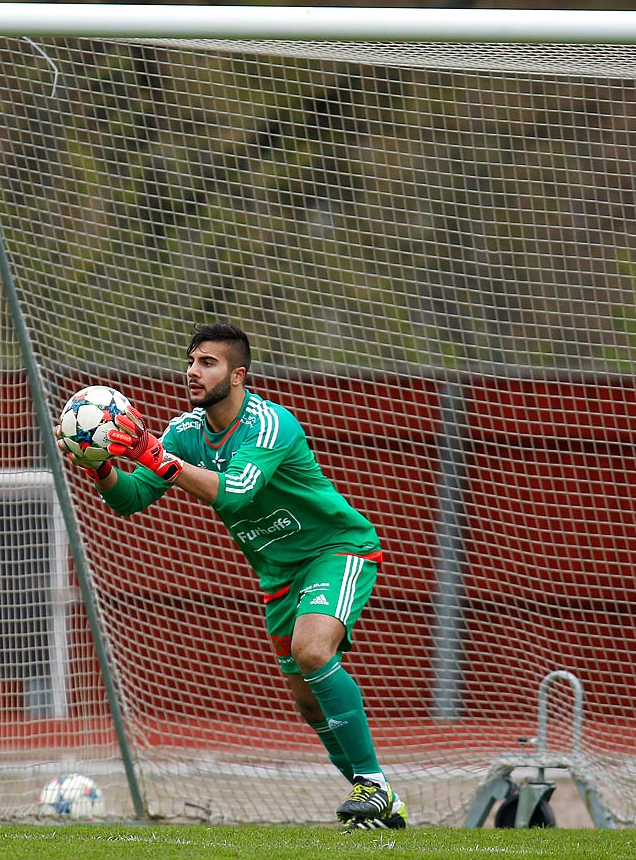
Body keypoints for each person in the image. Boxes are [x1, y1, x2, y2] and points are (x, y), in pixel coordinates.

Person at [68, 323, 406, 830]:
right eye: (190, 360)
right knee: (309, 706)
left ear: (238, 374)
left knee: (312, 651)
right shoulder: (185, 432)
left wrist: (152, 456)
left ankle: (374, 786)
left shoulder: (269, 424)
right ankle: (381, 804)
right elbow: (131, 499)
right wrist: (99, 465)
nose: (193, 371)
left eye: (208, 362)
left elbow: (235, 492)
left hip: (335, 550)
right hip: (278, 576)